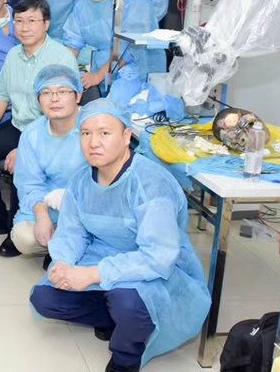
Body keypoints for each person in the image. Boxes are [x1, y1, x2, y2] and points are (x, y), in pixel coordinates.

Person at [29, 99, 210, 372]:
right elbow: (71, 232)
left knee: (127, 301)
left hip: (151, 267)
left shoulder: (150, 184)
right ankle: (112, 317)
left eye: (104, 133)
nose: (93, 143)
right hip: (101, 254)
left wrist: (92, 274)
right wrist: (62, 263)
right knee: (45, 298)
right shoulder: (81, 180)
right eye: (86, 133)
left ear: (126, 136)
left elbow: (158, 256)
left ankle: (126, 357)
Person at [0, 0, 78, 257]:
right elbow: (0, 95)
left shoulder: (61, 57)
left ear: (46, 24)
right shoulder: (13, 55)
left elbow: (63, 108)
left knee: (24, 168)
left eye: (32, 21)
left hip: (50, 132)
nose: (24, 27)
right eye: (19, 21)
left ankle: (15, 230)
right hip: (18, 126)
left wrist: (24, 148)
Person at [11, 65, 88, 262]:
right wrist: (42, 215)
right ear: (38, 100)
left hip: (89, 204)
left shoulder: (92, 127)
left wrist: (72, 201)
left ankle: (69, 248)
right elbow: (29, 183)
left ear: (78, 95)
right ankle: (56, 246)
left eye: (62, 91)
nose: (54, 98)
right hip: (50, 203)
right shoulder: (32, 134)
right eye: (46, 93)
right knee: (24, 238)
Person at [63, 0, 122, 97]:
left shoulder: (130, 1)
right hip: (97, 77)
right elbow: (72, 44)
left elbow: (129, 51)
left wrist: (98, 76)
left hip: (128, 77)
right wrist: (63, 74)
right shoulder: (82, 6)